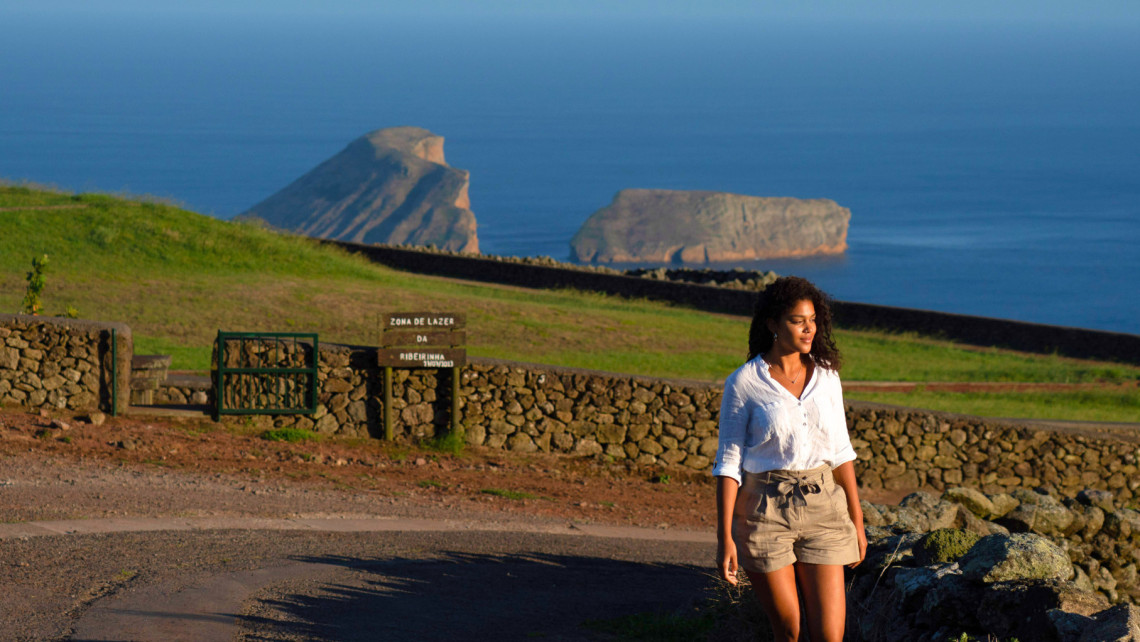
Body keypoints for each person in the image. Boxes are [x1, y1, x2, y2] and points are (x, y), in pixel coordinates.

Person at [713, 276, 867, 642]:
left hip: (825, 508)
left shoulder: (827, 377)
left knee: (831, 635)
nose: (809, 328)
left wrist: (857, 522)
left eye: (813, 319)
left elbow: (842, 451)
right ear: (773, 324)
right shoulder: (744, 383)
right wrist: (725, 539)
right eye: (798, 320)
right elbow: (728, 464)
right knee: (789, 630)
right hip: (764, 512)